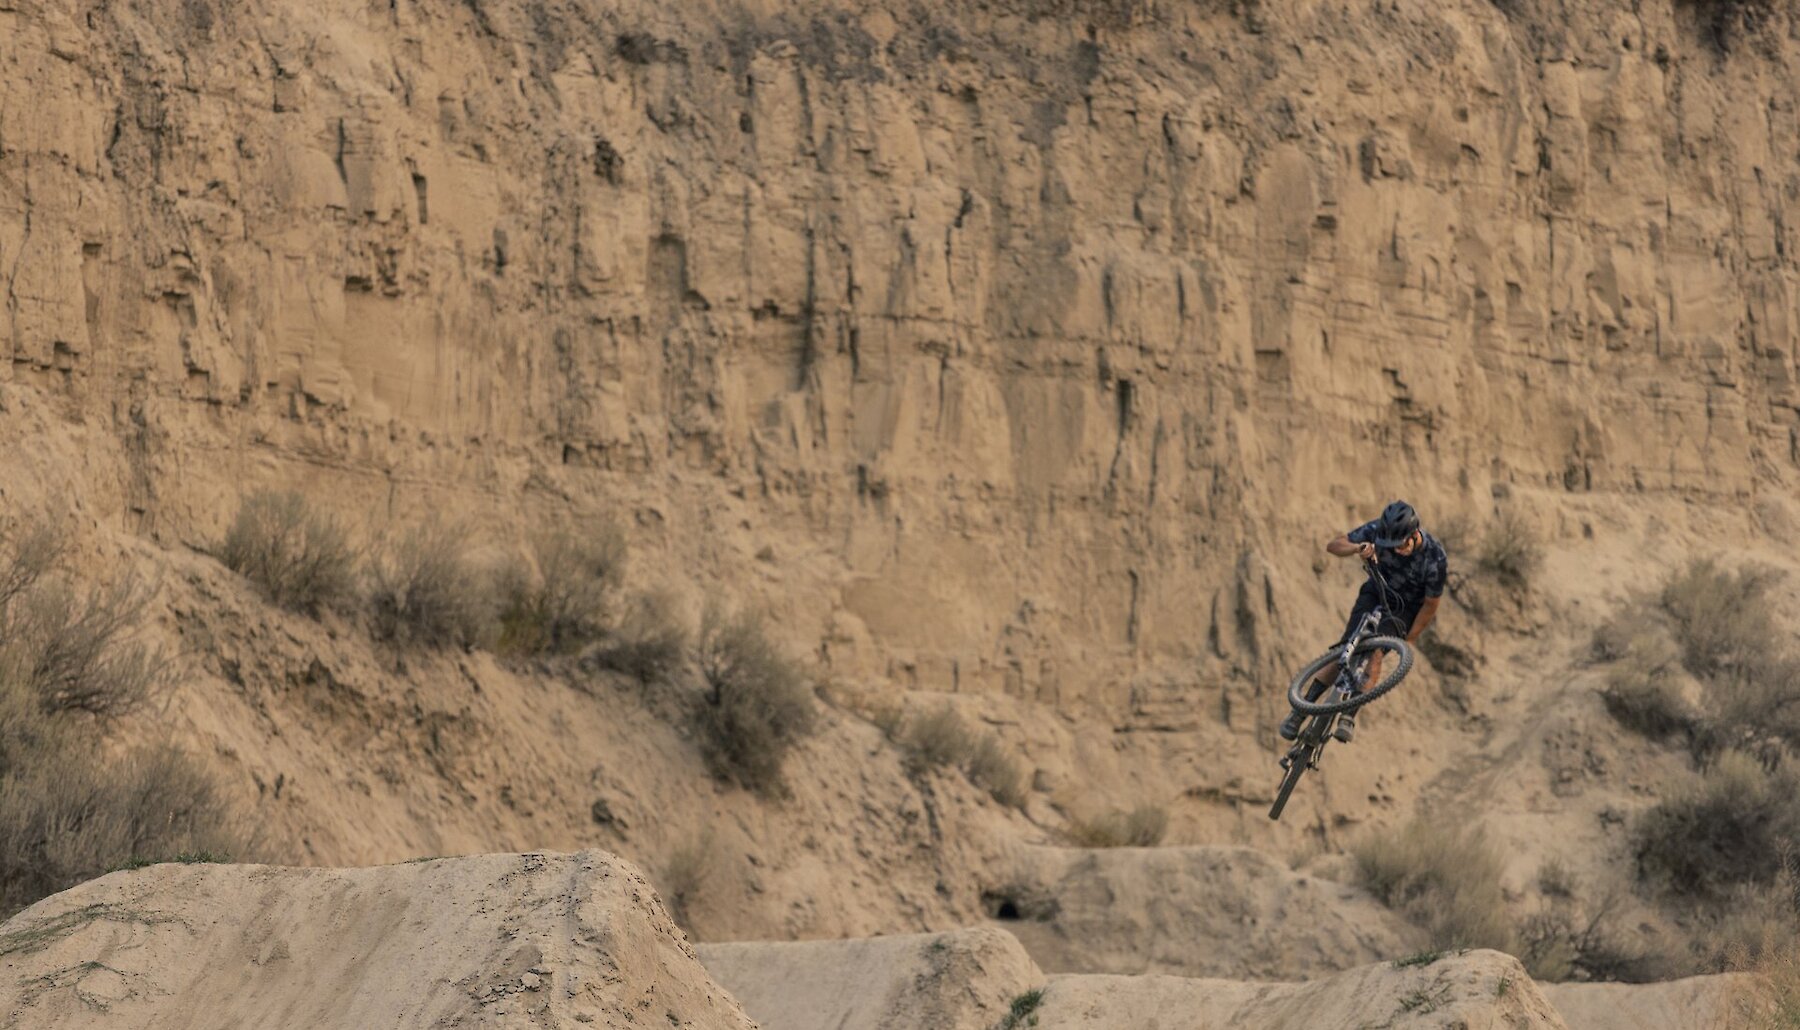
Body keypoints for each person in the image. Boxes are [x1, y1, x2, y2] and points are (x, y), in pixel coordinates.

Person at [1278, 500, 1448, 744]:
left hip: (1403, 608)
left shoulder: (1435, 558)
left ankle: (1348, 715)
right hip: (1375, 592)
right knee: (1343, 650)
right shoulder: (1379, 530)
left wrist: (1409, 639)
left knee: (1375, 652)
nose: (1395, 550)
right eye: (1390, 545)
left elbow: (1431, 604)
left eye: (1400, 545)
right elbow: (1334, 545)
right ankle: (1300, 711)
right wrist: (1358, 548)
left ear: (1414, 535)